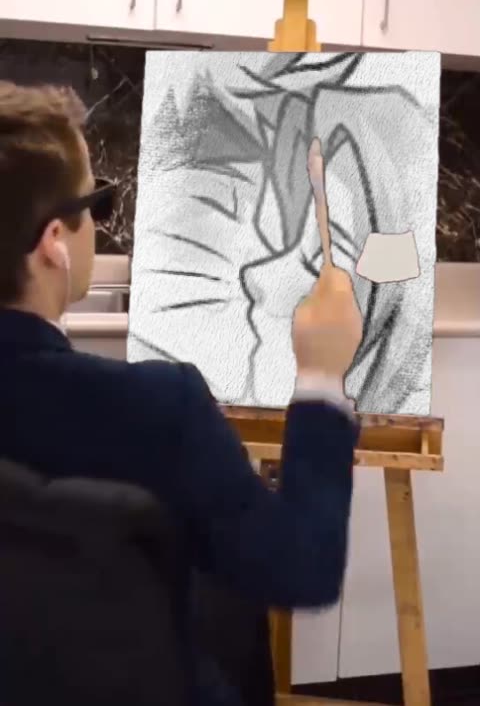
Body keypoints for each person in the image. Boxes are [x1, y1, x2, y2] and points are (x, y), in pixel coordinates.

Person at [0, 81, 363, 706]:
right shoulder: (159, 410)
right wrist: (321, 377)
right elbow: (303, 568)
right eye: (99, 203)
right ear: (54, 242)